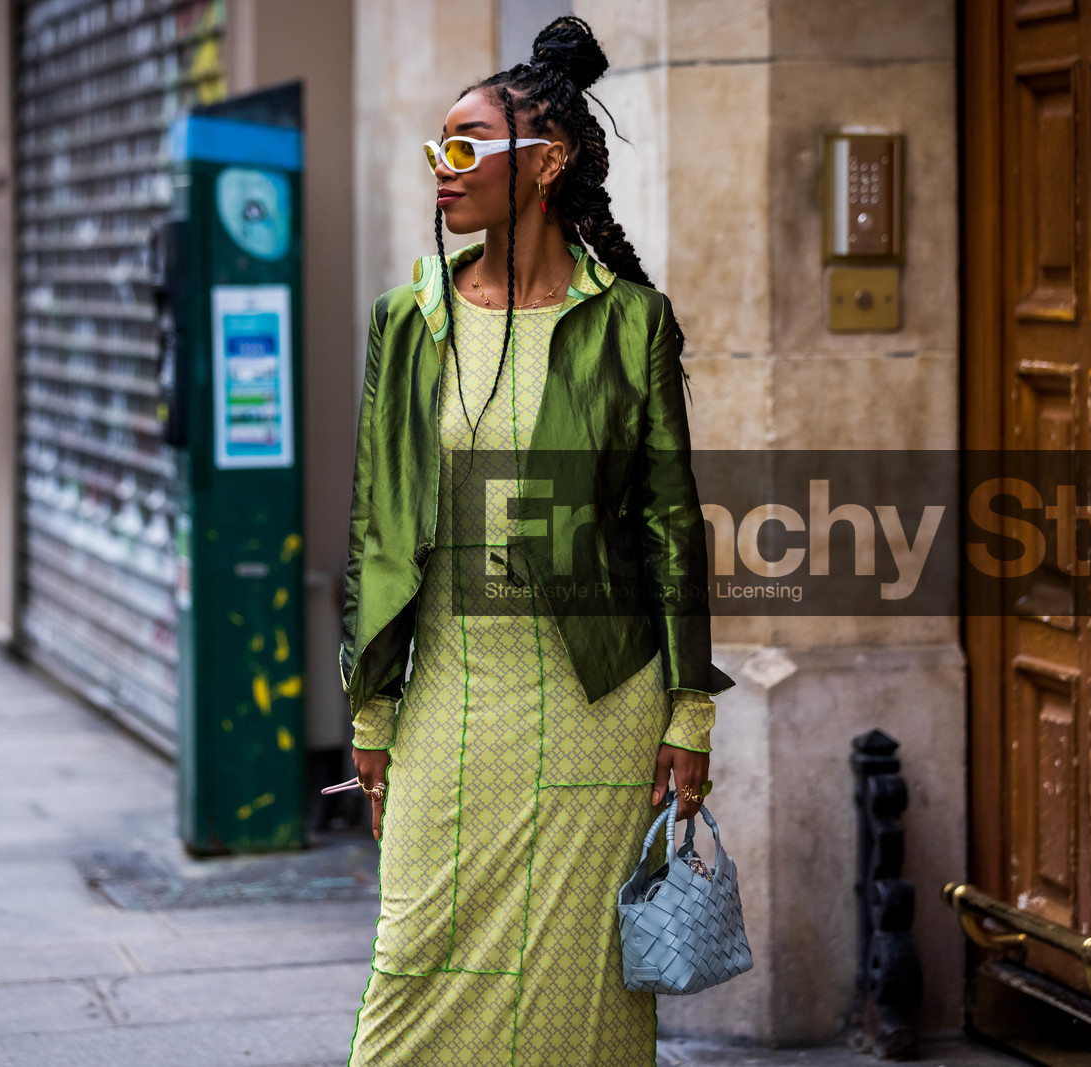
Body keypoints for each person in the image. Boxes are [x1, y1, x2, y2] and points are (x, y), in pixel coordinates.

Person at [339, 17, 735, 1064]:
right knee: (411, 960)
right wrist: (371, 709)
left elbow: (668, 523)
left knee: (580, 989)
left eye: (465, 143)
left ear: (546, 162)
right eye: (437, 144)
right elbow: (378, 522)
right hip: (446, 692)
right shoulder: (407, 319)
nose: (442, 166)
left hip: (596, 699)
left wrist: (688, 713)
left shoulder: (629, 322)